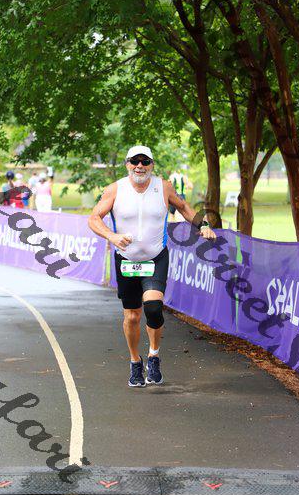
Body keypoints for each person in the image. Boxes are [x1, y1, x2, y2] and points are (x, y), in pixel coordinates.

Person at [88, 145, 216, 388]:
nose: (140, 166)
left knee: (154, 308)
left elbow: (183, 208)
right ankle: (135, 361)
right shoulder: (115, 189)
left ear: (152, 164)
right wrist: (112, 236)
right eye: (135, 161)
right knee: (132, 316)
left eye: (145, 161)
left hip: (155, 258)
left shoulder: (163, 187)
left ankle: (154, 356)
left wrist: (203, 225)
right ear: (127, 164)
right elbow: (94, 218)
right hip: (126, 260)